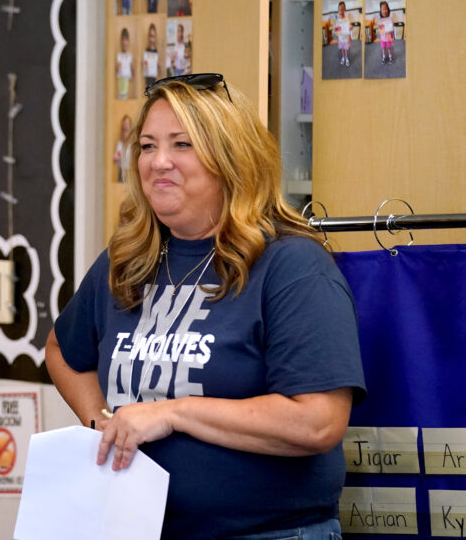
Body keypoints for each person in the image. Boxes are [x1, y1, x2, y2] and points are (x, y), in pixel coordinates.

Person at [46, 74, 366, 539]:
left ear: (231, 158)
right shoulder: (126, 260)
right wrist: (103, 424)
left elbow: (319, 421)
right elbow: (62, 350)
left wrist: (174, 412)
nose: (159, 162)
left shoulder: (291, 266)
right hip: (133, 527)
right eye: (148, 146)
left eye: (183, 144)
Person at [112, 114, 133, 183]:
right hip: (121, 172)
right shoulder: (120, 144)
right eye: (123, 130)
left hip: (130, 172)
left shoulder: (133, 145)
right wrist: (116, 158)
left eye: (126, 130)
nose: (124, 133)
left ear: (130, 130)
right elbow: (116, 158)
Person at [115, 27, 135, 99]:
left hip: (127, 79)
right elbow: (116, 70)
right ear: (121, 42)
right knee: (121, 94)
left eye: (126, 40)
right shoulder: (119, 55)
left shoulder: (130, 56)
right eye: (123, 40)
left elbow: (132, 68)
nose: (124, 42)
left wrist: (132, 74)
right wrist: (117, 67)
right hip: (120, 79)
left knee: (125, 94)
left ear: (128, 41)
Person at [142, 23, 160, 91]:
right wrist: (143, 64)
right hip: (147, 77)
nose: (151, 39)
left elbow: (157, 66)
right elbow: (145, 66)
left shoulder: (156, 51)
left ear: (155, 37)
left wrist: (158, 66)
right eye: (150, 36)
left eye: (153, 36)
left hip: (154, 77)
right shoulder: (146, 50)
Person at [335, 1, 352, 67]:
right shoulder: (337, 20)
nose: (341, 12)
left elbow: (349, 27)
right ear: (338, 11)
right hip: (341, 38)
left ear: (344, 10)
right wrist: (336, 29)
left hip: (346, 38)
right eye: (339, 10)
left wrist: (351, 27)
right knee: (342, 49)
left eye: (342, 10)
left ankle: (346, 58)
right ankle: (343, 57)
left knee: (346, 49)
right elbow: (337, 29)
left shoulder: (347, 19)